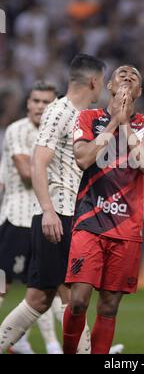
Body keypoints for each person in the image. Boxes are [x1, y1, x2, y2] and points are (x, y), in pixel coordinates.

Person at [0, 54, 105, 354]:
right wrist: (48, 211)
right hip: (57, 215)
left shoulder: (79, 114)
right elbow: (38, 161)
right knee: (63, 297)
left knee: (49, 298)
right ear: (94, 81)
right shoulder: (59, 111)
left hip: (68, 215)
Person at [62, 65, 144, 354]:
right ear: (109, 86)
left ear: (139, 92)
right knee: (79, 300)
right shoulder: (88, 118)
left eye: (134, 77)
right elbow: (83, 159)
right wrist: (112, 123)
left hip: (126, 227)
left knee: (109, 306)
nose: (128, 76)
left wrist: (125, 122)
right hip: (90, 220)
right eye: (122, 74)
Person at [0, 81, 62, 354]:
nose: (40, 107)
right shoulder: (17, 130)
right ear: (28, 103)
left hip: (45, 218)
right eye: (35, 101)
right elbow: (27, 173)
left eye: (46, 102)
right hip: (18, 218)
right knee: (3, 284)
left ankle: (45, 344)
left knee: (45, 287)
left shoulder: (60, 132)